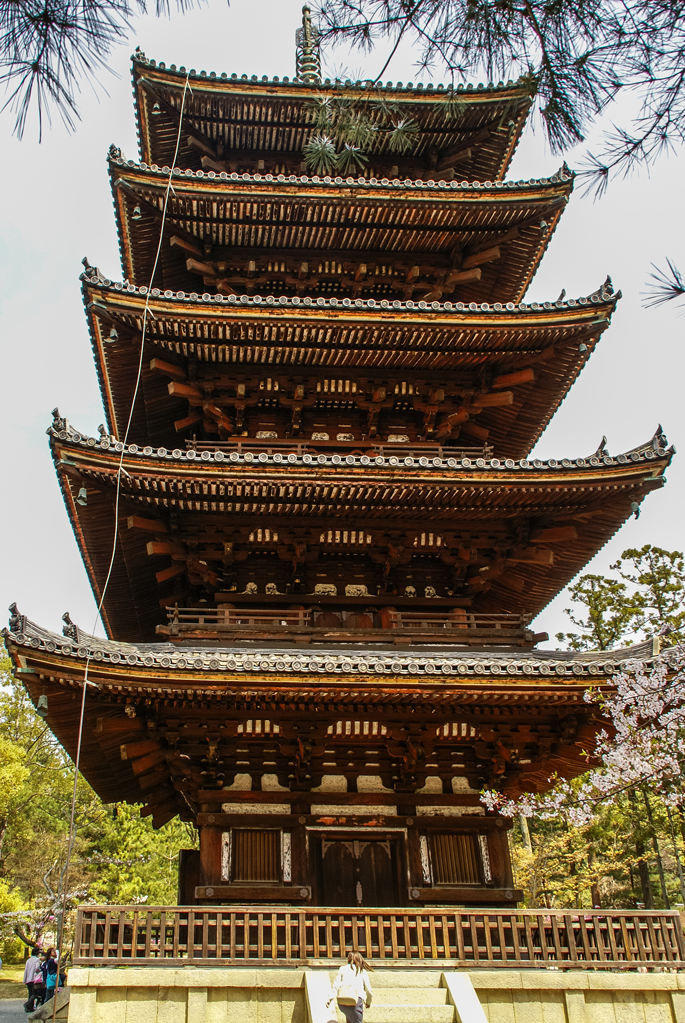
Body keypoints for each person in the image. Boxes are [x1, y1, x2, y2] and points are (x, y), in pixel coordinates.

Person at [329, 952, 373, 1023]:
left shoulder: (342, 969)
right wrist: (368, 1002)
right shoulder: (362, 971)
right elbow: (369, 990)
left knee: (349, 1017)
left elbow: (336, 985)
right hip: (356, 1001)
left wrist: (330, 998)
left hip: (342, 1001)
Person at [23, 947, 42, 1014]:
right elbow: (37, 968)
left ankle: (29, 1007)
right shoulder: (37, 960)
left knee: (30, 993)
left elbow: (26, 970)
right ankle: (27, 1004)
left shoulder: (28, 960)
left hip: (28, 979)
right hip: (34, 979)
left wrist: (24, 980)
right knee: (34, 993)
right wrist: (39, 971)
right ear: (37, 953)